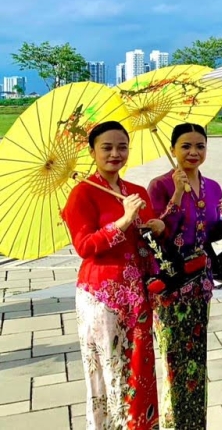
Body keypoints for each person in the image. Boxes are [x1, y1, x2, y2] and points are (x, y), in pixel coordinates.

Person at [61, 121, 165, 430]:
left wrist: (157, 226)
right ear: (92, 151)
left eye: (122, 146)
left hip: (138, 295)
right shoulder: (81, 195)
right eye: (107, 147)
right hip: (102, 298)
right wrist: (122, 222)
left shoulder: (135, 190)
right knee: (109, 373)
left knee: (139, 370)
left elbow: (146, 234)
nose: (115, 153)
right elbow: (84, 246)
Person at [147, 123, 222, 429]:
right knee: (173, 357)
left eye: (200, 145)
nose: (193, 152)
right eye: (185, 146)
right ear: (173, 149)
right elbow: (159, 234)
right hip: (172, 284)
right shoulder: (159, 186)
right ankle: (174, 423)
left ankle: (195, 422)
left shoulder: (212, 186)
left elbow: (208, 233)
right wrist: (176, 193)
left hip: (201, 282)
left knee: (196, 357)